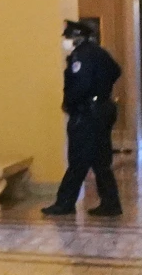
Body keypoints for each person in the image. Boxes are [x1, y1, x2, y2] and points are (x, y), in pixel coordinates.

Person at [42, 19, 123, 217]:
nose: (66, 41)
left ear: (77, 37)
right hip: (102, 109)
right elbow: (116, 71)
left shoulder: (81, 55)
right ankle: (111, 203)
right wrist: (102, 90)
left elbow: (80, 85)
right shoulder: (99, 52)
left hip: (87, 113)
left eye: (68, 37)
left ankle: (64, 203)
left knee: (78, 159)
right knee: (100, 160)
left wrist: (69, 103)